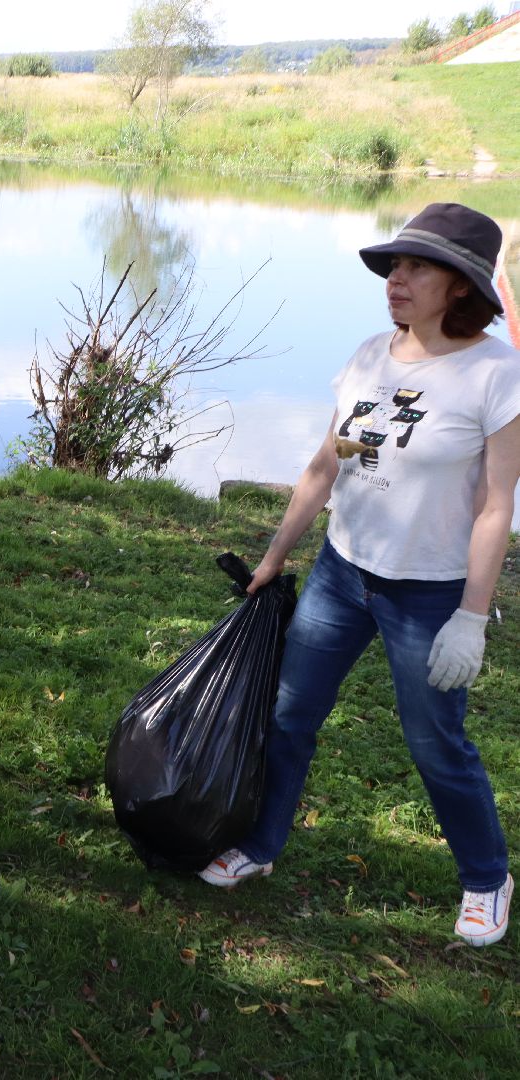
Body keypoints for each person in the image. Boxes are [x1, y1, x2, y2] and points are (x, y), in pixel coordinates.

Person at [200, 203, 520, 949]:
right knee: (289, 716)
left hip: (430, 592)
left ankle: (486, 877)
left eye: (416, 268)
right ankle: (261, 845)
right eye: (394, 267)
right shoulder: (371, 356)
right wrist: (277, 558)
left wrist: (471, 615)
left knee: (436, 743)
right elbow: (323, 467)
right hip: (343, 576)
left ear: (461, 286)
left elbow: (495, 506)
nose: (396, 279)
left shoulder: (493, 372)